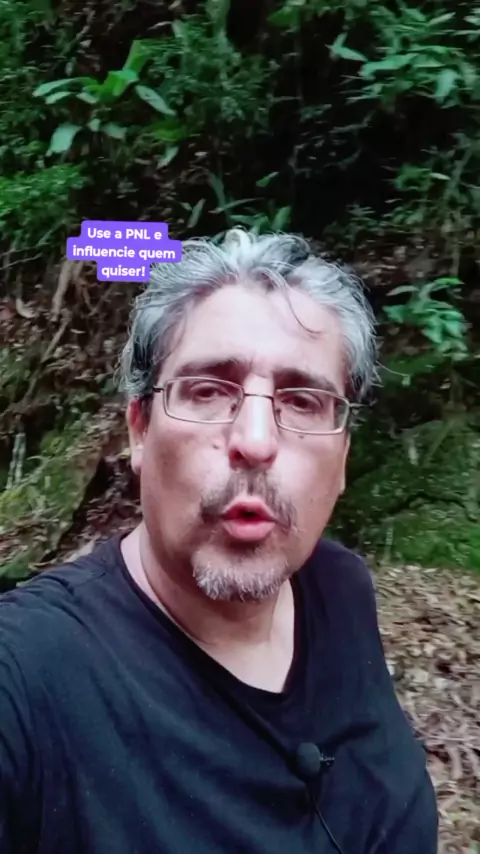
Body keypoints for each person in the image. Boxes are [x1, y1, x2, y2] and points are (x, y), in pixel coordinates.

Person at [0, 228, 438, 854]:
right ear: (139, 430)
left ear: (343, 457)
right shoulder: (28, 676)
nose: (255, 441)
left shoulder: (338, 588)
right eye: (207, 391)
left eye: (303, 400)